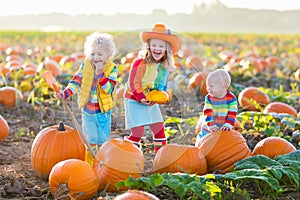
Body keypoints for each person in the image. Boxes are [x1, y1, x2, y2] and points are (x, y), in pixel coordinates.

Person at [55, 32, 118, 163]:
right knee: (90, 139)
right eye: (92, 54)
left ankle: (101, 163)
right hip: (87, 111)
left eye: (100, 54)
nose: (95, 57)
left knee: (102, 139)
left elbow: (109, 89)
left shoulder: (112, 69)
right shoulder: (86, 65)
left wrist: (101, 74)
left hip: (103, 113)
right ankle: (89, 164)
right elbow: (76, 81)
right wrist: (65, 94)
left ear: (108, 55)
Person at [123, 23, 181, 153]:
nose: (157, 49)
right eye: (154, 45)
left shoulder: (164, 66)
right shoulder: (140, 63)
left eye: (161, 46)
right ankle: (127, 153)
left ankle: (160, 156)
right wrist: (141, 97)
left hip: (150, 99)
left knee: (159, 128)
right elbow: (134, 83)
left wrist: (160, 96)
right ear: (148, 46)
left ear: (167, 50)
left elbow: (162, 86)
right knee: (138, 132)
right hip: (134, 98)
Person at [195, 69, 238, 142]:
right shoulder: (209, 98)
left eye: (211, 86)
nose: (207, 88)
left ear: (224, 86)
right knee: (203, 140)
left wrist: (228, 124)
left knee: (222, 143)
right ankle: (199, 145)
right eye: (207, 86)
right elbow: (208, 112)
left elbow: (232, 113)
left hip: (223, 127)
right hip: (210, 126)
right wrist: (211, 125)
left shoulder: (231, 98)